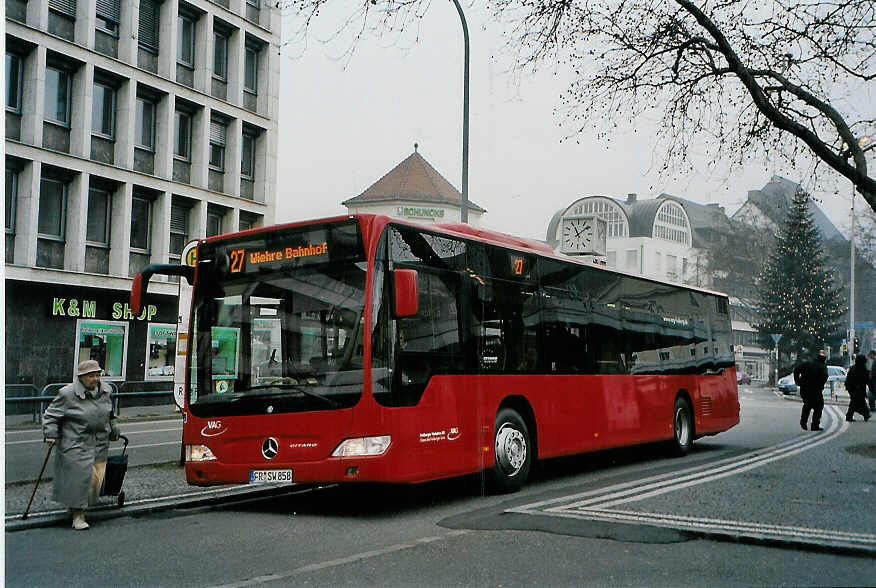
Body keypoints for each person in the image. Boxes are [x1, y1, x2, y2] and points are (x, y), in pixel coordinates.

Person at [43, 360, 121, 530]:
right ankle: (78, 516)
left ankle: (78, 507)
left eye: (97, 375)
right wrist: (50, 434)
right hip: (75, 442)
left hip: (99, 442)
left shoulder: (106, 391)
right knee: (78, 479)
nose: (95, 379)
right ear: (81, 377)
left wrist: (114, 429)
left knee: (94, 479)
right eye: (91, 376)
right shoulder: (67, 394)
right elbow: (50, 416)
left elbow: (110, 414)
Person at [793, 350, 828, 431]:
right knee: (819, 406)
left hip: (804, 388)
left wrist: (798, 381)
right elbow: (824, 378)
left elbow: (796, 370)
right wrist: (820, 385)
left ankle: (803, 422)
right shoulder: (822, 366)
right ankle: (815, 425)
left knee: (807, 405)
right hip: (816, 390)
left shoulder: (807, 364)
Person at [844, 354, 871, 422]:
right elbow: (866, 379)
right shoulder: (863, 369)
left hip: (852, 388)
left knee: (854, 402)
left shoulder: (853, 368)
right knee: (858, 401)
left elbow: (848, 379)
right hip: (857, 388)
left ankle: (851, 416)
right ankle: (865, 414)